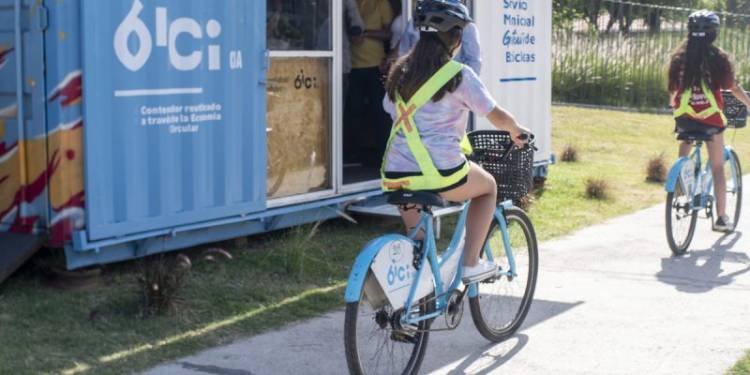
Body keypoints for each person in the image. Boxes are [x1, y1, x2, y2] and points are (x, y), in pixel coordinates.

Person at [381, 0, 529, 282]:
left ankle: (413, 306)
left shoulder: (399, 72)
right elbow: (495, 115)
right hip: (442, 171)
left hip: (397, 173)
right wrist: (515, 129)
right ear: (456, 38)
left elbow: (389, 109)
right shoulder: (459, 75)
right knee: (488, 188)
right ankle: (471, 264)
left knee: (420, 254)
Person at [668, 10, 750, 232]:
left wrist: (675, 108)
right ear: (714, 34)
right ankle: (722, 218)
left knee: (685, 140)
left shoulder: (679, 58)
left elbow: (673, 90)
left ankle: (680, 185)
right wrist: (748, 103)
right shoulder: (717, 58)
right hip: (711, 121)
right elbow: (732, 87)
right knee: (716, 168)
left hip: (685, 118)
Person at [345, 0, 394, 166]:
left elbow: (388, 34)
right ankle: (353, 154)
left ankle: (384, 154)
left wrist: (364, 34)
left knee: (380, 112)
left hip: (375, 64)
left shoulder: (380, 3)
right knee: (354, 112)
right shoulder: (349, 3)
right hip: (352, 65)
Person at [398, 0, 482, 74]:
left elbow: (474, 61)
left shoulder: (464, 23)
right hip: (419, 79)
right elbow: (403, 52)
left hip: (452, 83)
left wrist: (463, 83)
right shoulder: (418, 19)